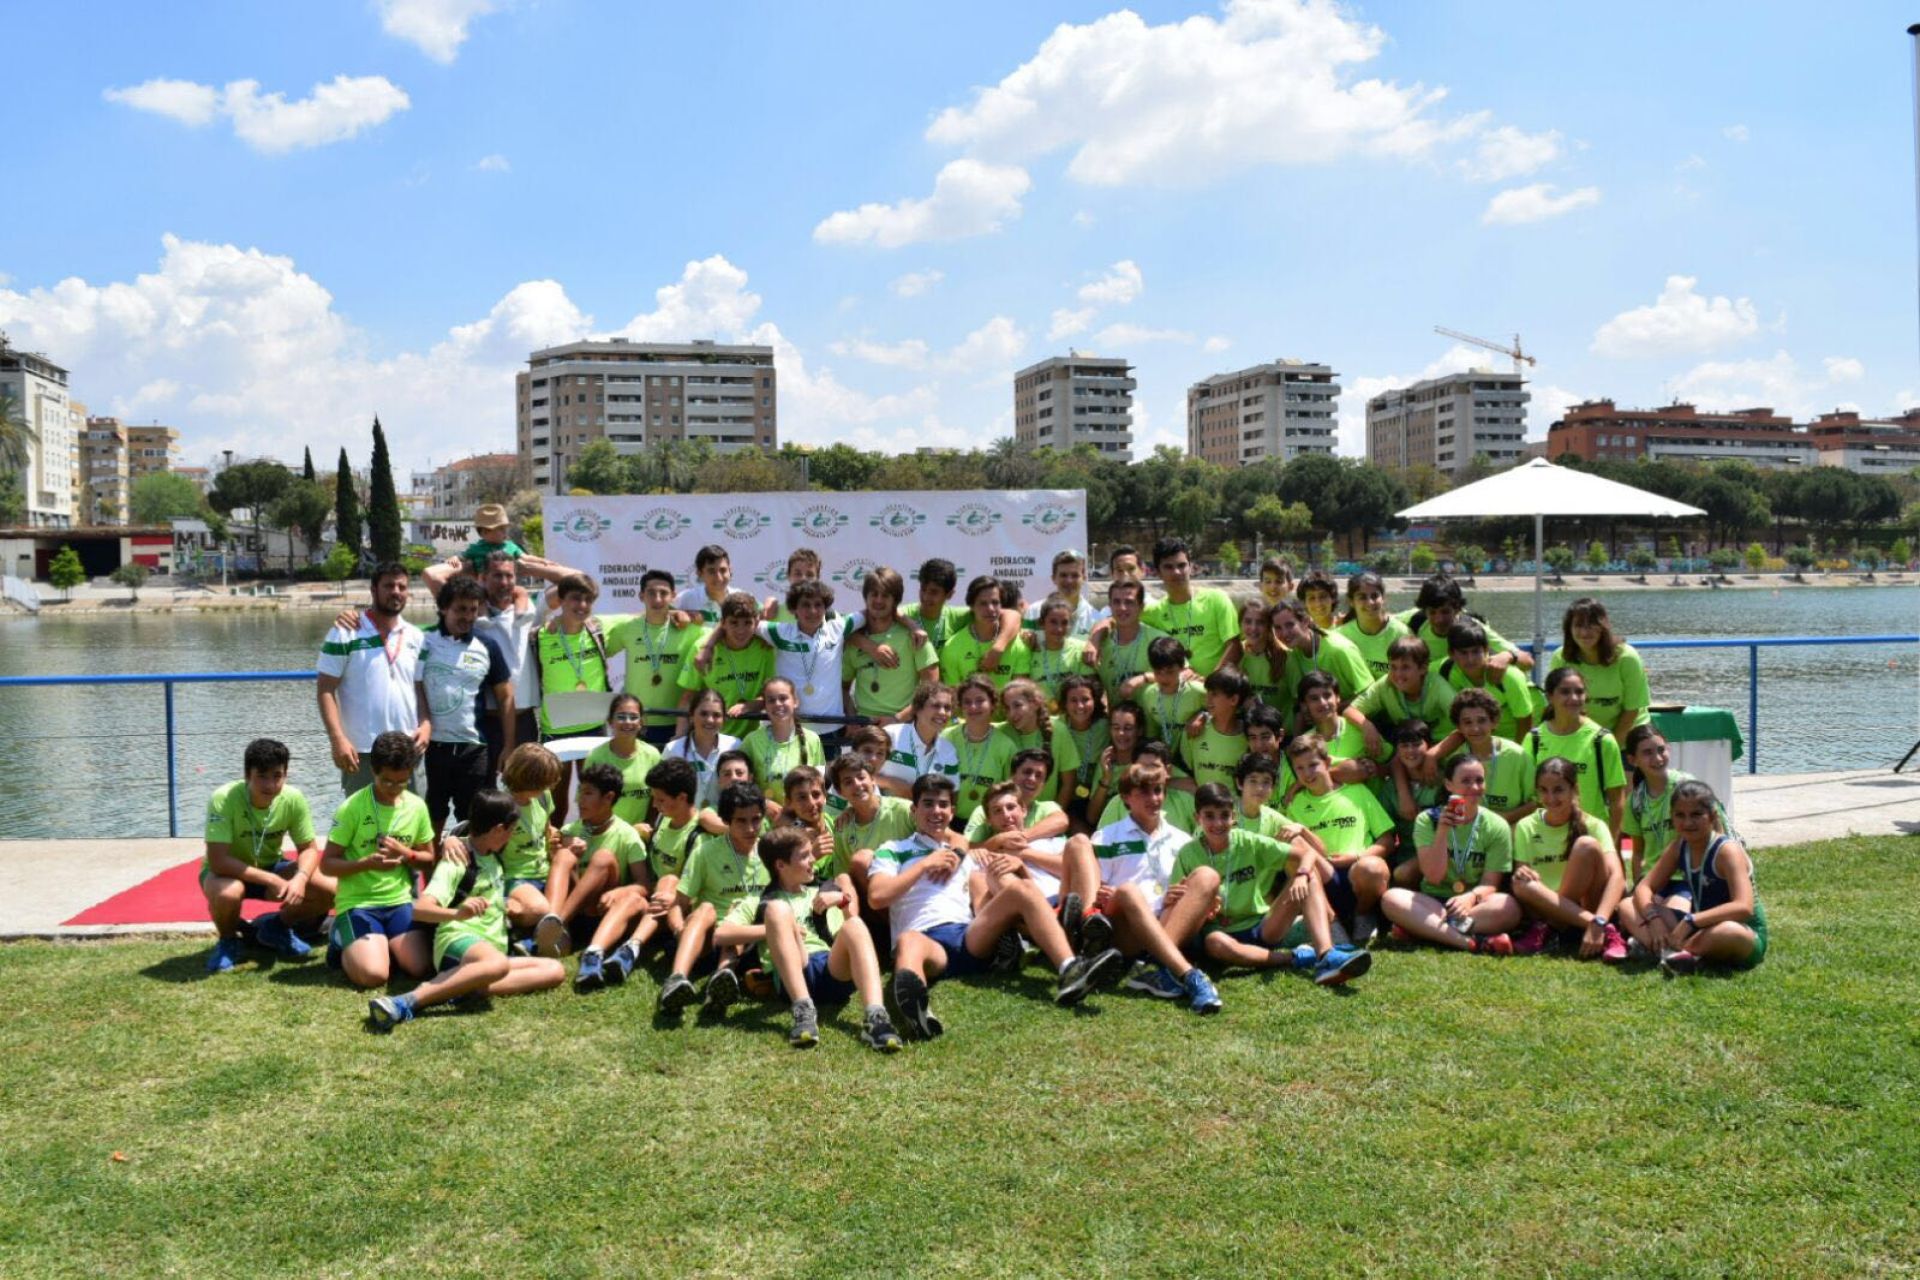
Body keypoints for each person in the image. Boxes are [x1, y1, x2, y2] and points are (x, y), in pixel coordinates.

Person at [870, 776, 1127, 1040]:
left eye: (943, 805)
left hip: (967, 937)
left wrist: (1019, 871)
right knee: (908, 941)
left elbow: (985, 897)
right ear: (914, 810)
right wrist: (924, 865)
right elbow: (877, 897)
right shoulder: (893, 850)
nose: (936, 811)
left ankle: (1070, 969)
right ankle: (920, 1013)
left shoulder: (965, 856)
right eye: (928, 804)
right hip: (925, 940)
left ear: (952, 812)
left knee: (1022, 889)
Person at [365, 790, 565, 1030]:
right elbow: (421, 909)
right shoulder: (457, 861)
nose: (512, 837)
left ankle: (463, 985)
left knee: (555, 970)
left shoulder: (494, 855)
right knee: (498, 965)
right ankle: (406, 1002)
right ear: (498, 830)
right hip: (458, 941)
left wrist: (506, 906)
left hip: (491, 953)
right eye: (511, 830)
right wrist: (457, 914)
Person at [1170, 784, 1371, 986]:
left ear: (1234, 817)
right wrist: (1195, 904)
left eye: (1224, 815)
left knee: (1308, 875)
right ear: (1197, 818)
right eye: (1209, 816)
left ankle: (1326, 955)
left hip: (1262, 927)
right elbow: (1180, 904)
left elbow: (1308, 853)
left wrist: (1301, 875)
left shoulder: (1247, 841)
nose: (1218, 823)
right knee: (1215, 944)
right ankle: (1293, 958)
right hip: (1220, 933)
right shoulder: (1187, 854)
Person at [730, 826, 903, 1050]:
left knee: (855, 924)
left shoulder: (820, 893)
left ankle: (876, 1018)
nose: (813, 859)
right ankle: (803, 1011)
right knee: (777, 909)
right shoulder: (760, 899)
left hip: (829, 967)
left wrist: (842, 901)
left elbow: (850, 936)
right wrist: (777, 930)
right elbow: (721, 935)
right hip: (794, 969)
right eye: (804, 856)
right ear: (780, 865)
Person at [200, 737, 334, 972]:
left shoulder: (293, 798)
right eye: (262, 776)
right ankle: (228, 941)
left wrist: (300, 878)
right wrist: (271, 879)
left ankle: (277, 927)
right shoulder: (223, 798)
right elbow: (218, 861)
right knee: (228, 893)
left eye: (277, 775)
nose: (270, 784)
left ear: (286, 775)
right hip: (227, 873)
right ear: (247, 775)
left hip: (272, 866)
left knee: (330, 889)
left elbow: (309, 849)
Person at [575, 757, 704, 989]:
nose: (654, 805)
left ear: (682, 798)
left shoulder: (700, 835)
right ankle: (593, 954)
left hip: (677, 911)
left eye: (661, 799)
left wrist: (677, 898)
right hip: (653, 903)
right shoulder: (663, 820)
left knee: (669, 880)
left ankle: (632, 948)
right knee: (632, 899)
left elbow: (704, 888)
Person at [320, 731, 436, 988]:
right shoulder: (352, 807)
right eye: (387, 781)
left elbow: (428, 859)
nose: (394, 789)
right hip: (358, 903)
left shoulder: (416, 806)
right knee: (374, 976)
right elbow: (326, 865)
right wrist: (365, 864)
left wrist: (406, 854)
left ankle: (377, 945)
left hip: (399, 901)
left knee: (419, 967)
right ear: (373, 770)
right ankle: (340, 938)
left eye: (402, 782)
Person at [1380, 753, 1523, 954]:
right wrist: (1442, 831)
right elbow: (1433, 876)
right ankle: (1471, 942)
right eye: (1466, 781)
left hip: (1474, 906)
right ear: (1448, 785)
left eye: (1479, 780)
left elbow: (1490, 883)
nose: (1474, 787)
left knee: (1509, 908)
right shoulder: (1427, 820)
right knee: (1391, 899)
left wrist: (1470, 897)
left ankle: (1424, 929)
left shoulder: (1497, 825)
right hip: (1434, 902)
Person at [1626, 781, 1767, 975]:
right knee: (1627, 906)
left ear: (1712, 816)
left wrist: (1691, 921)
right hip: (1697, 927)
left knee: (1727, 931)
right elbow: (1644, 887)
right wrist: (1654, 920)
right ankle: (1677, 952)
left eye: (1696, 815)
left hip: (1742, 932)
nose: (1687, 823)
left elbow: (1744, 907)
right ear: (1672, 817)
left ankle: (1665, 950)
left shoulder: (1727, 851)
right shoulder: (1679, 847)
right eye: (1680, 815)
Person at [657, 781, 773, 1014]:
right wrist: (680, 930)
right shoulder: (706, 852)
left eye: (756, 819)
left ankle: (721, 981)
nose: (751, 828)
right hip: (707, 942)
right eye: (741, 821)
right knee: (706, 908)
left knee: (739, 916)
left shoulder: (771, 853)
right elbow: (678, 905)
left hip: (750, 941)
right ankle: (676, 979)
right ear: (726, 821)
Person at [317, 561, 429, 796]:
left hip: (409, 747)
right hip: (362, 751)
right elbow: (325, 689)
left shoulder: (416, 636)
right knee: (363, 817)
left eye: (402, 587)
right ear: (373, 590)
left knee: (412, 817)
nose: (396, 592)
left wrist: (426, 723)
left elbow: (419, 687)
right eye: (389, 586)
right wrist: (337, 739)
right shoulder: (345, 632)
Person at [418, 574, 514, 841]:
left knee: (474, 819)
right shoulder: (422, 640)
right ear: (443, 608)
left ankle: (469, 866)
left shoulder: (487, 645)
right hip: (431, 747)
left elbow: (506, 697)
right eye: (461, 609)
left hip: (473, 749)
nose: (468, 616)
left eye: (473, 609)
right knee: (432, 816)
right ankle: (431, 865)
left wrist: (508, 746)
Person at [1509, 757, 1628, 961]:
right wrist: (1597, 923)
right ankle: (1604, 930)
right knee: (1520, 882)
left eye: (1558, 790)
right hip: (1546, 909)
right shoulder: (1526, 826)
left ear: (1574, 790)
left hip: (1588, 904)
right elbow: (1523, 873)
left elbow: (1617, 877)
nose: (1550, 797)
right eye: (1543, 790)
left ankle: (1552, 930)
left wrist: (1600, 916)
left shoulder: (1594, 825)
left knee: (1586, 845)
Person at [1281, 733, 1395, 945]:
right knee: (1293, 848)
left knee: (1372, 867)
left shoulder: (1357, 791)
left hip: (1358, 874)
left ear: (1327, 763)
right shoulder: (1295, 804)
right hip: (1323, 876)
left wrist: (1357, 857)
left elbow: (1387, 840)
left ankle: (1363, 916)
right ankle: (1332, 924)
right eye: (1300, 768)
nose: (1307, 773)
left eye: (1313, 765)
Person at [537, 761, 647, 959]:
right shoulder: (570, 830)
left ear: (609, 798)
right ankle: (550, 924)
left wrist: (620, 891)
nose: (580, 800)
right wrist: (555, 853)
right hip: (576, 914)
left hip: (602, 912)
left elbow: (644, 884)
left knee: (603, 857)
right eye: (580, 792)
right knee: (564, 855)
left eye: (588, 793)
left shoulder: (627, 835)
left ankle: (556, 926)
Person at [531, 572, 613, 825]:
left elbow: (643, 619)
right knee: (555, 804)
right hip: (556, 730)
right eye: (576, 598)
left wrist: (679, 614)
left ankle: (590, 844)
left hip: (594, 727)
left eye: (588, 600)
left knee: (595, 800)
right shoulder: (540, 635)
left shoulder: (599, 628)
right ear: (562, 600)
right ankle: (553, 845)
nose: (582, 605)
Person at [1518, 667, 1627, 847]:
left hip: (1590, 839)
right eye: (1565, 692)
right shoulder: (1534, 739)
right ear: (1550, 697)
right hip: (1546, 841)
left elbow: (1617, 800)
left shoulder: (1602, 740)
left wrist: (1610, 846)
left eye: (1579, 692)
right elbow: (1527, 796)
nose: (1574, 698)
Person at [599, 569, 702, 748]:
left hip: (677, 722)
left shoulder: (689, 629)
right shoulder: (627, 628)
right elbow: (598, 653)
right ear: (641, 596)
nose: (657, 599)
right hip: (637, 721)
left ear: (673, 596)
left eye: (663, 593)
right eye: (651, 593)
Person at [1618, 724, 1725, 888]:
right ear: (1633, 760)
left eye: (1661, 750)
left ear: (1669, 748)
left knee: (1670, 904)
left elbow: (1717, 831)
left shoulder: (1686, 786)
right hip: (1653, 879)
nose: (1657, 758)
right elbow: (1638, 852)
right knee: (1627, 904)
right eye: (1647, 753)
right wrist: (1640, 886)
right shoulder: (1635, 801)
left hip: (1687, 876)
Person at [844, 566, 939, 724]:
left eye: (885, 595)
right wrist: (852, 720)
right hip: (864, 727)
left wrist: (898, 718)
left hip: (903, 726)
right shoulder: (855, 640)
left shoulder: (914, 637)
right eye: (874, 594)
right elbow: (842, 688)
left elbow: (932, 687)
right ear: (866, 597)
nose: (878, 600)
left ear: (895, 600)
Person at [1550, 597, 1652, 745]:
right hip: (1584, 737)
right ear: (1569, 629)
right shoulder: (1561, 658)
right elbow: (1557, 706)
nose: (1585, 632)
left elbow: (1632, 710)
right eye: (1578, 625)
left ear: (1603, 627)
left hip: (1628, 736)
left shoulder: (1627, 658)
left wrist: (1610, 748)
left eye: (1591, 625)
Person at [1137, 537, 1240, 677]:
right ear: (1158, 572)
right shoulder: (1154, 612)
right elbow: (1122, 618)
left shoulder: (1216, 599)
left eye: (1182, 565)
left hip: (1216, 687)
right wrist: (1106, 624)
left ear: (1191, 567)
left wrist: (1210, 684)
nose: (1177, 572)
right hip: (1178, 689)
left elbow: (1235, 647)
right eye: (1168, 567)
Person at [677, 591, 773, 740]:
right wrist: (680, 735)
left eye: (747, 623)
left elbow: (770, 695)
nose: (741, 630)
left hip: (750, 740)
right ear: (722, 623)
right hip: (711, 738)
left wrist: (750, 706)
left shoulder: (765, 648)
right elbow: (688, 697)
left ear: (756, 622)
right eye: (734, 623)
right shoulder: (702, 649)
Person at [1347, 636, 1456, 761]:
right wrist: (1367, 726)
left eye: (1405, 667)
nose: (1398, 674)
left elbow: (1464, 723)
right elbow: (1350, 710)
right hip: (1408, 750)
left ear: (1423, 668)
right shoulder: (1386, 684)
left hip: (1442, 747)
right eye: (1393, 667)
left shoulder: (1437, 686)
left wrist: (1432, 755)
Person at [496, 743, 563, 943]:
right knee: (539, 909)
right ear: (531, 779)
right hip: (516, 877)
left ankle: (528, 938)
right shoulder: (501, 807)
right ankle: (501, 906)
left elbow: (547, 828)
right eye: (547, 781)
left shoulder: (543, 798)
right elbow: (483, 846)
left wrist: (555, 837)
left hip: (546, 870)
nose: (551, 785)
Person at [828, 754, 916, 905]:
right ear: (840, 791)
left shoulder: (904, 810)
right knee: (860, 861)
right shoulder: (843, 828)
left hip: (913, 893)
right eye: (848, 782)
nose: (857, 784)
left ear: (873, 780)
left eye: (861, 777)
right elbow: (844, 877)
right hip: (876, 905)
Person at [1400, 573, 1531, 672]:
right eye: (1432, 612)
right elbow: (1388, 620)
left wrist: (1507, 656)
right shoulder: (1416, 620)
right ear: (1424, 610)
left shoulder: (1471, 628)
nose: (1439, 619)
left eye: (1445, 612)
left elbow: (1528, 662)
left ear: (1458, 609)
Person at [1440, 688, 1532, 822]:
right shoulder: (1454, 758)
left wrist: (1506, 818)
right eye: (1467, 722)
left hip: (1510, 829)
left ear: (1494, 722)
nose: (1475, 728)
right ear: (1459, 727)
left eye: (1482, 720)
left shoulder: (1517, 755)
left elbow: (1536, 802)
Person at [1435, 620, 1534, 742]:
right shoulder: (1445, 669)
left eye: (1476, 651)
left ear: (1486, 649)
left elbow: (1525, 720)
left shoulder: (1509, 676)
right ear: (1451, 654)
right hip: (1480, 737)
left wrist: (1516, 751)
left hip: (1515, 738)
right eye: (1463, 653)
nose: (1470, 659)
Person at [903, 556, 1018, 657]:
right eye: (923, 589)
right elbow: (894, 612)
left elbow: (1013, 615)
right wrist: (912, 626)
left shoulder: (959, 616)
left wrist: (998, 647)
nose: (926, 597)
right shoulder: (905, 613)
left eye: (934, 592)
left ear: (950, 594)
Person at [941, 675, 1017, 824]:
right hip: (948, 820)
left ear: (993, 704)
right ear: (960, 706)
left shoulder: (1006, 745)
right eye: (967, 702)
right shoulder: (946, 738)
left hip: (988, 824)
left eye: (980, 700)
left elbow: (1011, 792)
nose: (973, 707)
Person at [1271, 597, 1371, 708]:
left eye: (1290, 625)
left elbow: (1369, 694)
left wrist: (1334, 709)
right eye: (1278, 628)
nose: (1284, 633)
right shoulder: (1292, 652)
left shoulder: (1338, 649)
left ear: (1305, 621)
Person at [939, 574, 1032, 693]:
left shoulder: (1019, 644)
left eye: (995, 602)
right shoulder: (952, 648)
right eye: (983, 603)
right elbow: (953, 697)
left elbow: (1020, 695)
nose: (990, 609)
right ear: (971, 606)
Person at [738, 677, 824, 806]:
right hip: (764, 815)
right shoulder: (752, 741)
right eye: (771, 700)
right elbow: (741, 785)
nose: (778, 704)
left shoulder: (812, 739)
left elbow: (820, 785)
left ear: (795, 701)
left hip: (802, 814)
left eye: (783, 698)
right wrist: (764, 802)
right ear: (765, 706)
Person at [584, 694, 662, 829]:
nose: (627, 722)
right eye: (621, 717)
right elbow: (587, 805)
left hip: (640, 836)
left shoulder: (652, 755)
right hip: (604, 834)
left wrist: (647, 827)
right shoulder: (596, 757)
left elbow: (658, 799)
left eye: (633, 717)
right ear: (610, 721)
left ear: (641, 722)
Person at [1086, 578, 1168, 707]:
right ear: (1110, 606)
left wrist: (1143, 678)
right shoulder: (1100, 644)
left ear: (1141, 607)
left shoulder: (1159, 640)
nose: (1122, 608)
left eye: (1129, 602)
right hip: (1117, 719)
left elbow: (1182, 676)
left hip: (1155, 719)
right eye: (1116, 602)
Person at [999, 678, 1078, 806]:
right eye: (1007, 708)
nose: (1011, 714)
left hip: (1046, 812)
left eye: (1017, 705)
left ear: (1035, 703)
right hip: (1008, 811)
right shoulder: (1001, 732)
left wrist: (1055, 812)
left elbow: (1068, 783)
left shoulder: (1058, 730)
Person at [661, 688, 741, 810]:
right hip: (684, 820)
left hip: (722, 819)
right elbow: (662, 792)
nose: (710, 720)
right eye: (703, 714)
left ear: (724, 719)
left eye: (716, 715)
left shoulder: (735, 746)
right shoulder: (673, 749)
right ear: (691, 716)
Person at [881, 681, 960, 799]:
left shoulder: (948, 750)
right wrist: (891, 783)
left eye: (947, 708)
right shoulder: (891, 735)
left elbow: (951, 793)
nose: (942, 712)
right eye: (936, 706)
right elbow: (861, 773)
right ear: (917, 709)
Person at [1180, 664, 1250, 790]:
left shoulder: (1249, 737)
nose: (1207, 699)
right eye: (1208, 692)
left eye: (1215, 694)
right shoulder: (1194, 729)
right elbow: (1188, 768)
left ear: (1234, 700)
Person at [1334, 570, 1412, 682]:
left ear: (1384, 598)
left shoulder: (1402, 634)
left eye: (1374, 596)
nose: (1370, 602)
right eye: (1362, 597)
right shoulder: (1341, 636)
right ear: (1351, 601)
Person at [1055, 675, 1109, 832]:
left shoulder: (1105, 726)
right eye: (1073, 700)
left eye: (1085, 699)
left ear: (1095, 700)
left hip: (1096, 797)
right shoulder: (1056, 725)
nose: (1080, 706)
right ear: (1064, 703)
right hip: (1063, 798)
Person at [1136, 637, 1206, 754]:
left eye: (1170, 672)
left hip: (1196, 756)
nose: (1164, 678)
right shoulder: (1149, 694)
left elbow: (1223, 713)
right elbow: (1152, 734)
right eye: (1158, 672)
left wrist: (1203, 715)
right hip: (1166, 757)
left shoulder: (1198, 690)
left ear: (1182, 667)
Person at [1218, 598, 1287, 713]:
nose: (1253, 628)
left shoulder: (1284, 655)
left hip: (1281, 723)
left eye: (1260, 622)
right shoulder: (1235, 653)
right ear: (1240, 624)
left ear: (1269, 626)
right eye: (1248, 621)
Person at [1025, 594, 1091, 710]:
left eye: (1064, 623)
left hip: (1075, 715)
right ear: (1041, 623)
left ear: (1071, 625)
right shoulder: (1031, 649)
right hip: (1041, 717)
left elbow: (1090, 690)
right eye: (1053, 622)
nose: (1059, 629)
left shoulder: (1081, 649)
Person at [1022, 549, 1104, 635]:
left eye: (1075, 575)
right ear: (1053, 578)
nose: (1069, 581)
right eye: (1063, 575)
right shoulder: (1034, 611)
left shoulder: (1097, 617)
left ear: (1084, 579)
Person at [457, 503, 524, 576]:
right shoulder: (476, 549)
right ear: (484, 532)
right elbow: (460, 557)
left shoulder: (511, 546)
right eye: (501, 529)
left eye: (505, 528)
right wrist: (454, 559)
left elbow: (526, 558)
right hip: (483, 582)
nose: (505, 532)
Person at [676, 544, 733, 623]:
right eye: (711, 571)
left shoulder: (743, 600)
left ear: (730, 570)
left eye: (723, 570)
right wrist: (676, 614)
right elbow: (662, 615)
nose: (719, 578)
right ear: (699, 574)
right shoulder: (686, 598)